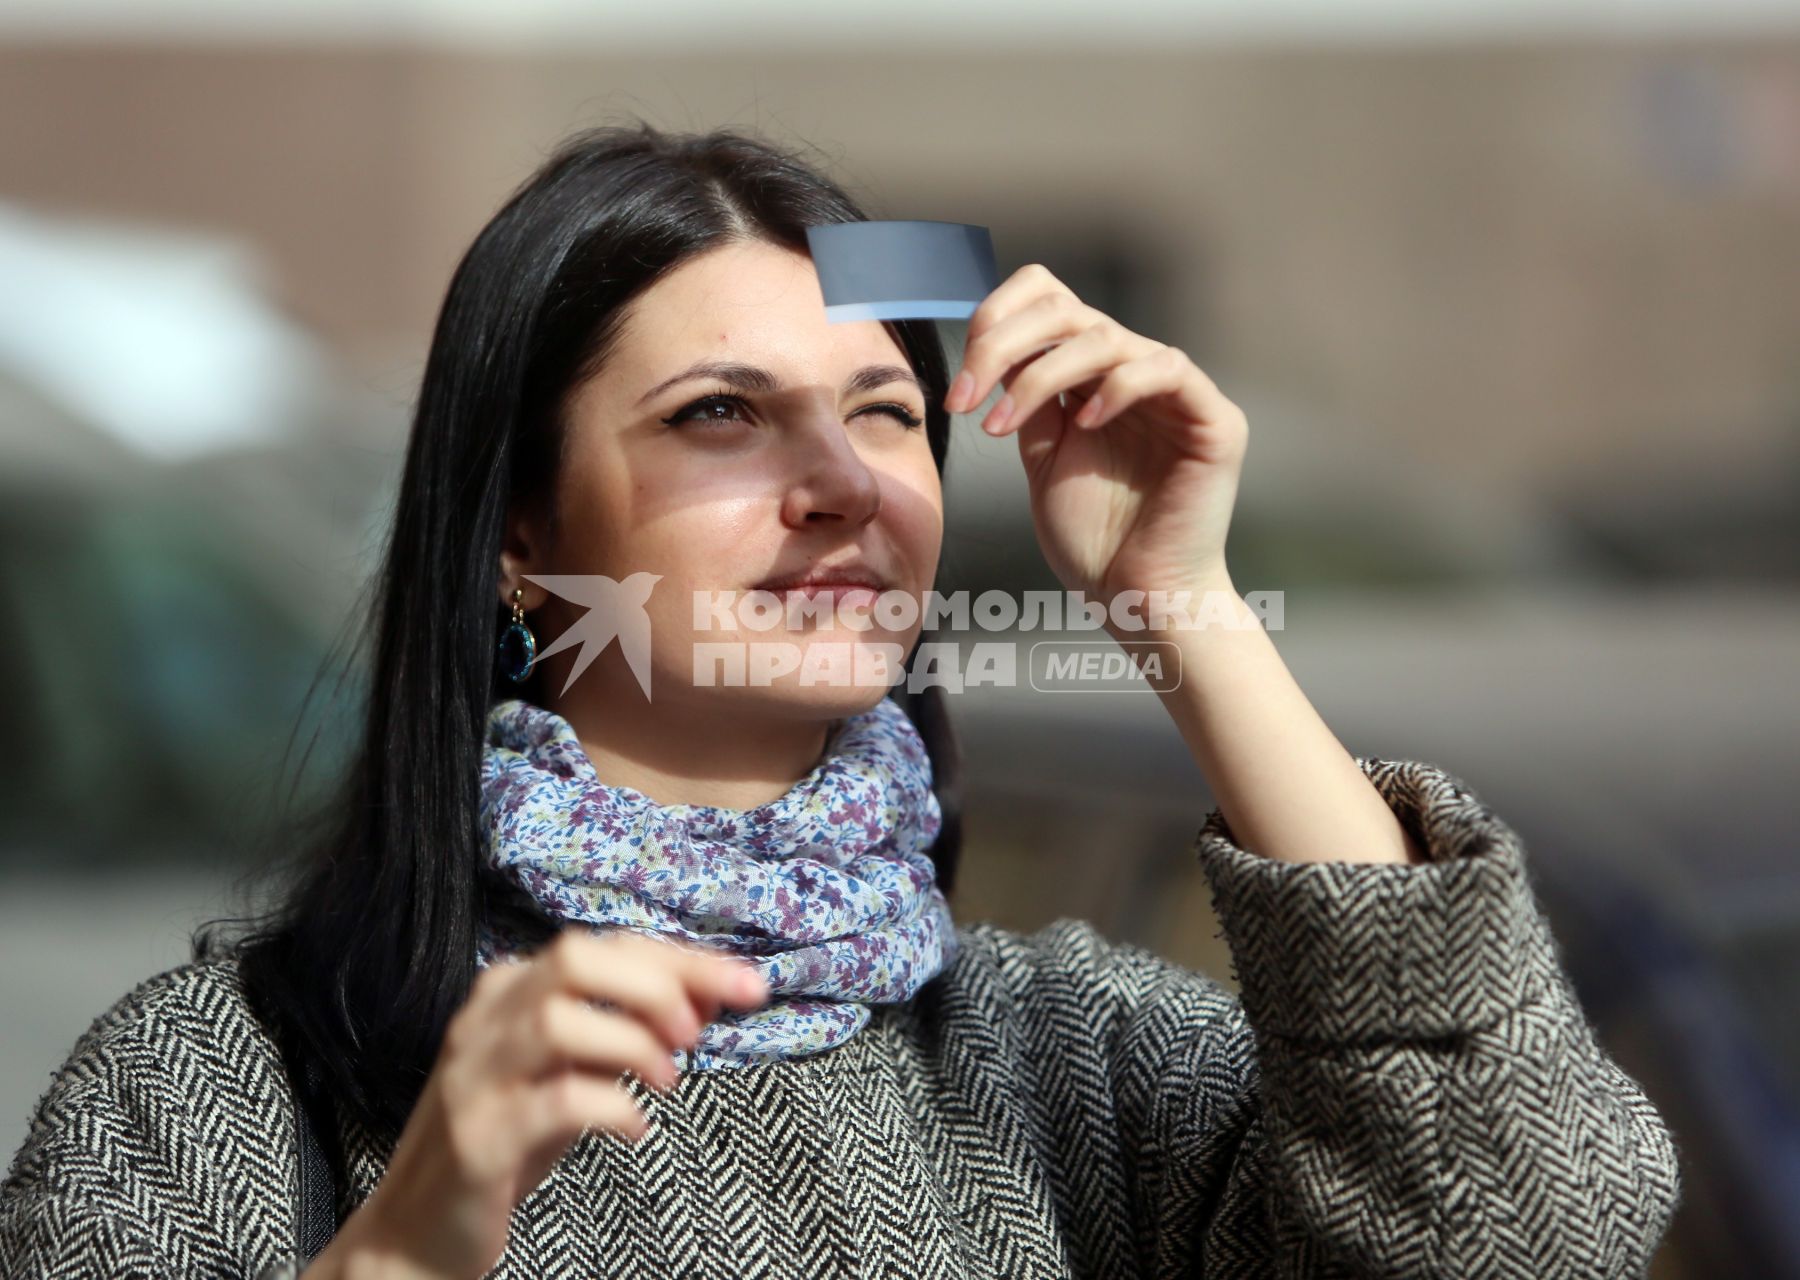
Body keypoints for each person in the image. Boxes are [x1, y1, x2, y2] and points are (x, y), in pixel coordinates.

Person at [0, 120, 1681, 1279]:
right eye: (722, 415)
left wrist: (1179, 602)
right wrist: (413, 1239)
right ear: (520, 531)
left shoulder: (1061, 1061)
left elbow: (1526, 1224)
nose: (840, 483)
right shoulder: (223, 1089)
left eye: (884, 412)